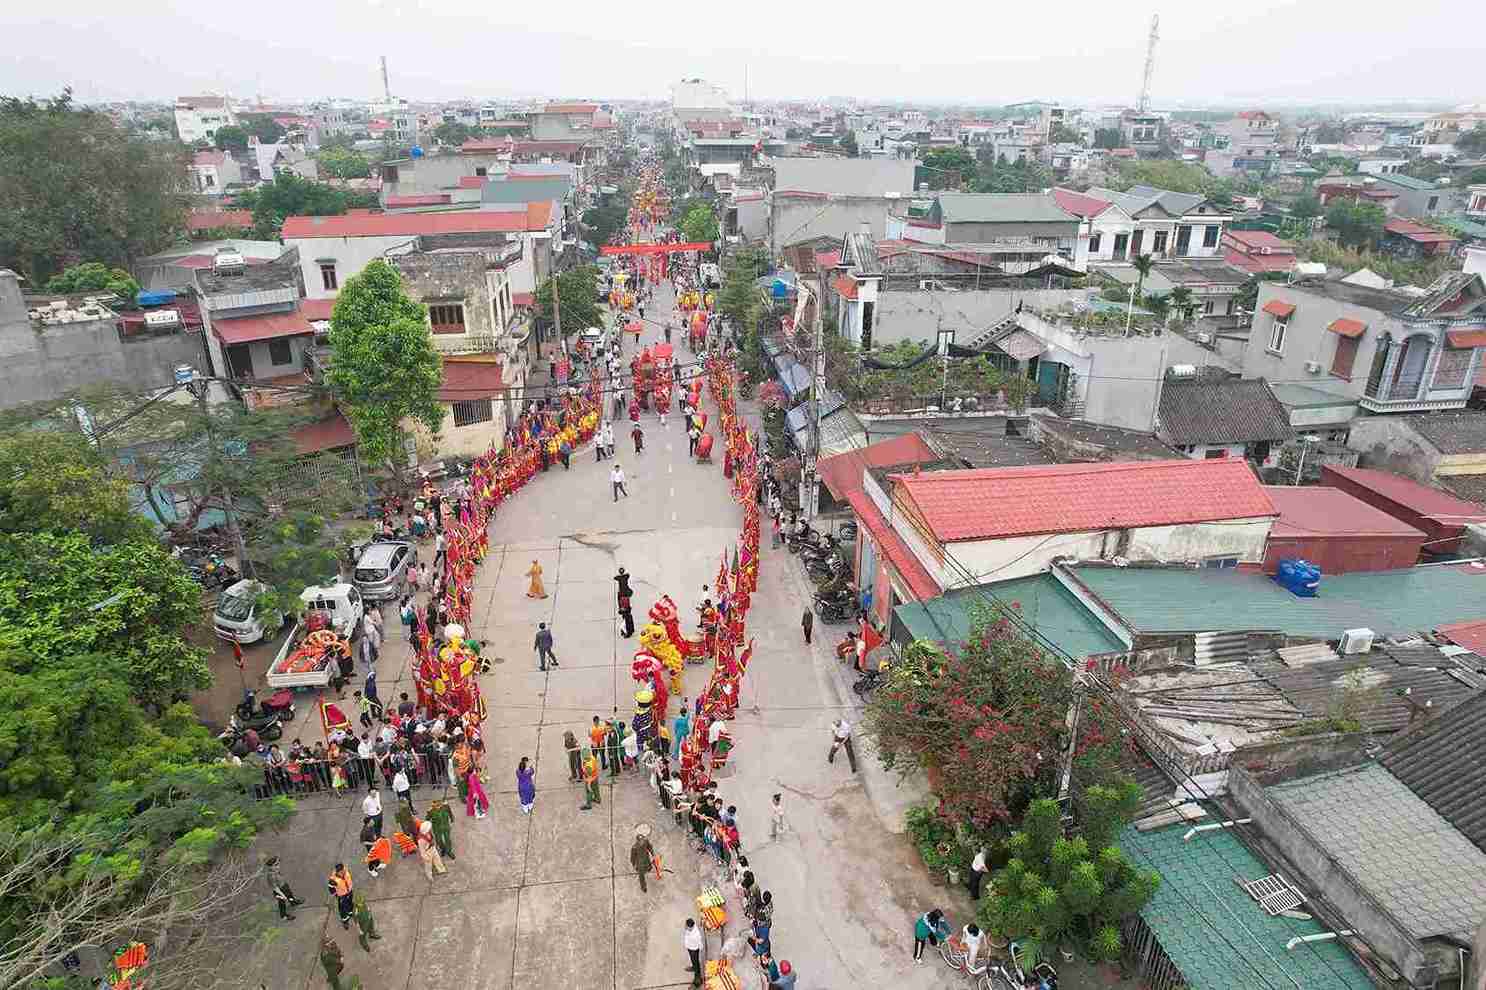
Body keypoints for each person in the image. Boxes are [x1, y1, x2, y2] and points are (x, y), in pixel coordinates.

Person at [266, 856, 302, 921]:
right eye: (275, 865)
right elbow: (275, 888)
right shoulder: (271, 876)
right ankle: (283, 916)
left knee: (290, 895)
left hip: (284, 886)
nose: (278, 867)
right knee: (282, 903)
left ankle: (293, 902)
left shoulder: (275, 871)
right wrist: (282, 895)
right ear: (270, 866)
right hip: (279, 891)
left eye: (278, 864)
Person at [327, 863, 355, 929]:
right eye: (340, 872)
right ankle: (345, 921)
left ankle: (350, 913)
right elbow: (330, 887)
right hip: (342, 896)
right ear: (337, 872)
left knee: (350, 904)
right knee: (342, 909)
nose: (342, 872)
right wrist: (336, 894)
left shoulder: (346, 872)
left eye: (342, 870)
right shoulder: (333, 880)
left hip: (349, 892)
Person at [630, 827, 657, 892]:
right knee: (641, 874)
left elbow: (650, 847)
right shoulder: (634, 847)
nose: (641, 842)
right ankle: (643, 887)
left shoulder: (646, 842)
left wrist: (653, 854)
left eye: (642, 840)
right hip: (640, 864)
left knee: (648, 868)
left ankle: (650, 868)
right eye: (640, 840)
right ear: (637, 840)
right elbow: (632, 858)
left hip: (647, 861)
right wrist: (634, 866)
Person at [683, 918, 704, 986]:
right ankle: (693, 967)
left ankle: (698, 978)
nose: (685, 926)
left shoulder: (696, 935)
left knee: (696, 962)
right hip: (690, 947)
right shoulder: (688, 929)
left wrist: (700, 948)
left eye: (686, 926)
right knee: (692, 960)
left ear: (691, 927)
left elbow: (700, 943)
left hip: (694, 950)